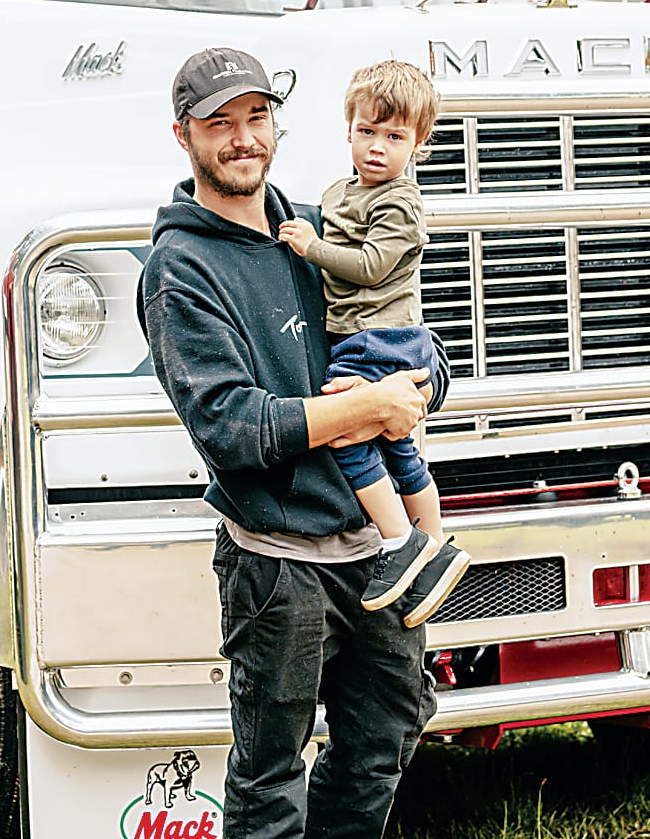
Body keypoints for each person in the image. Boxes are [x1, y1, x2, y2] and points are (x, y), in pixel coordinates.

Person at [137, 46, 442, 839]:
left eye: (256, 117)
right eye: (219, 125)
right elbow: (231, 428)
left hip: (374, 551)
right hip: (277, 567)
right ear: (184, 136)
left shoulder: (316, 230)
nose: (242, 139)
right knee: (271, 774)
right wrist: (360, 410)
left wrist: (418, 390)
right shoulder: (180, 269)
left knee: (383, 743)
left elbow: (407, 334)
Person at [278, 60, 471, 623]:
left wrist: (311, 247)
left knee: (347, 437)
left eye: (395, 137)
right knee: (397, 445)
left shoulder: (400, 204)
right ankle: (438, 551)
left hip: (382, 339)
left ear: (419, 144)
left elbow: (369, 265)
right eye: (368, 132)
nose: (378, 148)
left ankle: (399, 541)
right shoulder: (341, 193)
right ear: (348, 130)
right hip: (359, 336)